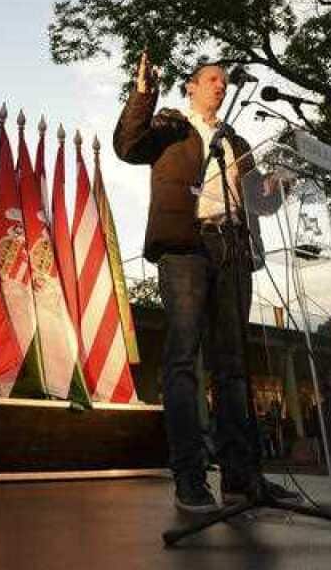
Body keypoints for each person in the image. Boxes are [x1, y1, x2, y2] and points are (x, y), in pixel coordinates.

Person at [114, 52, 292, 512]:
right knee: (182, 359)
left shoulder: (237, 141)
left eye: (225, 81)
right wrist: (142, 95)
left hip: (233, 249)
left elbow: (260, 202)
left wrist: (279, 185)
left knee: (233, 366)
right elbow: (128, 145)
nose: (221, 86)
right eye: (213, 79)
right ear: (191, 87)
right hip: (186, 247)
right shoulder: (173, 125)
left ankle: (241, 475)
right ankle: (189, 475)